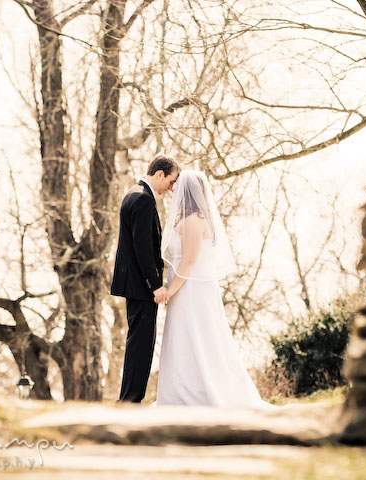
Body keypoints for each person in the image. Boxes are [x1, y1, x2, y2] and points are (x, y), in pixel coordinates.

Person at [156, 170, 271, 408]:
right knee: (185, 338)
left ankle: (198, 393)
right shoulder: (189, 218)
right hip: (188, 287)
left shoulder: (193, 220)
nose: (173, 188)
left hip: (191, 289)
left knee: (198, 337)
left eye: (178, 185)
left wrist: (170, 290)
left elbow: (189, 260)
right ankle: (179, 391)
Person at [111, 154, 179, 402]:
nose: (171, 188)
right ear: (159, 174)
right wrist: (155, 286)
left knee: (137, 343)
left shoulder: (134, 193)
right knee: (141, 345)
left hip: (135, 285)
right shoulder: (142, 200)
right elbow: (142, 247)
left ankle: (128, 399)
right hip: (141, 286)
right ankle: (130, 401)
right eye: (171, 181)